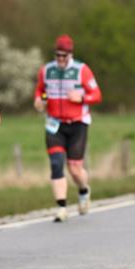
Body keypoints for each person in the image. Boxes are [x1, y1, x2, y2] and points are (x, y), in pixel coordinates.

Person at [34, 35, 103, 222]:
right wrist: (39, 100)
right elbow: (40, 90)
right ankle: (61, 208)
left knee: (74, 168)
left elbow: (97, 95)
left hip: (78, 123)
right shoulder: (46, 70)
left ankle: (83, 190)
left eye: (64, 56)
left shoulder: (82, 70)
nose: (61, 59)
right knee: (56, 163)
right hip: (54, 124)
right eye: (58, 55)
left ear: (71, 55)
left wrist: (82, 98)